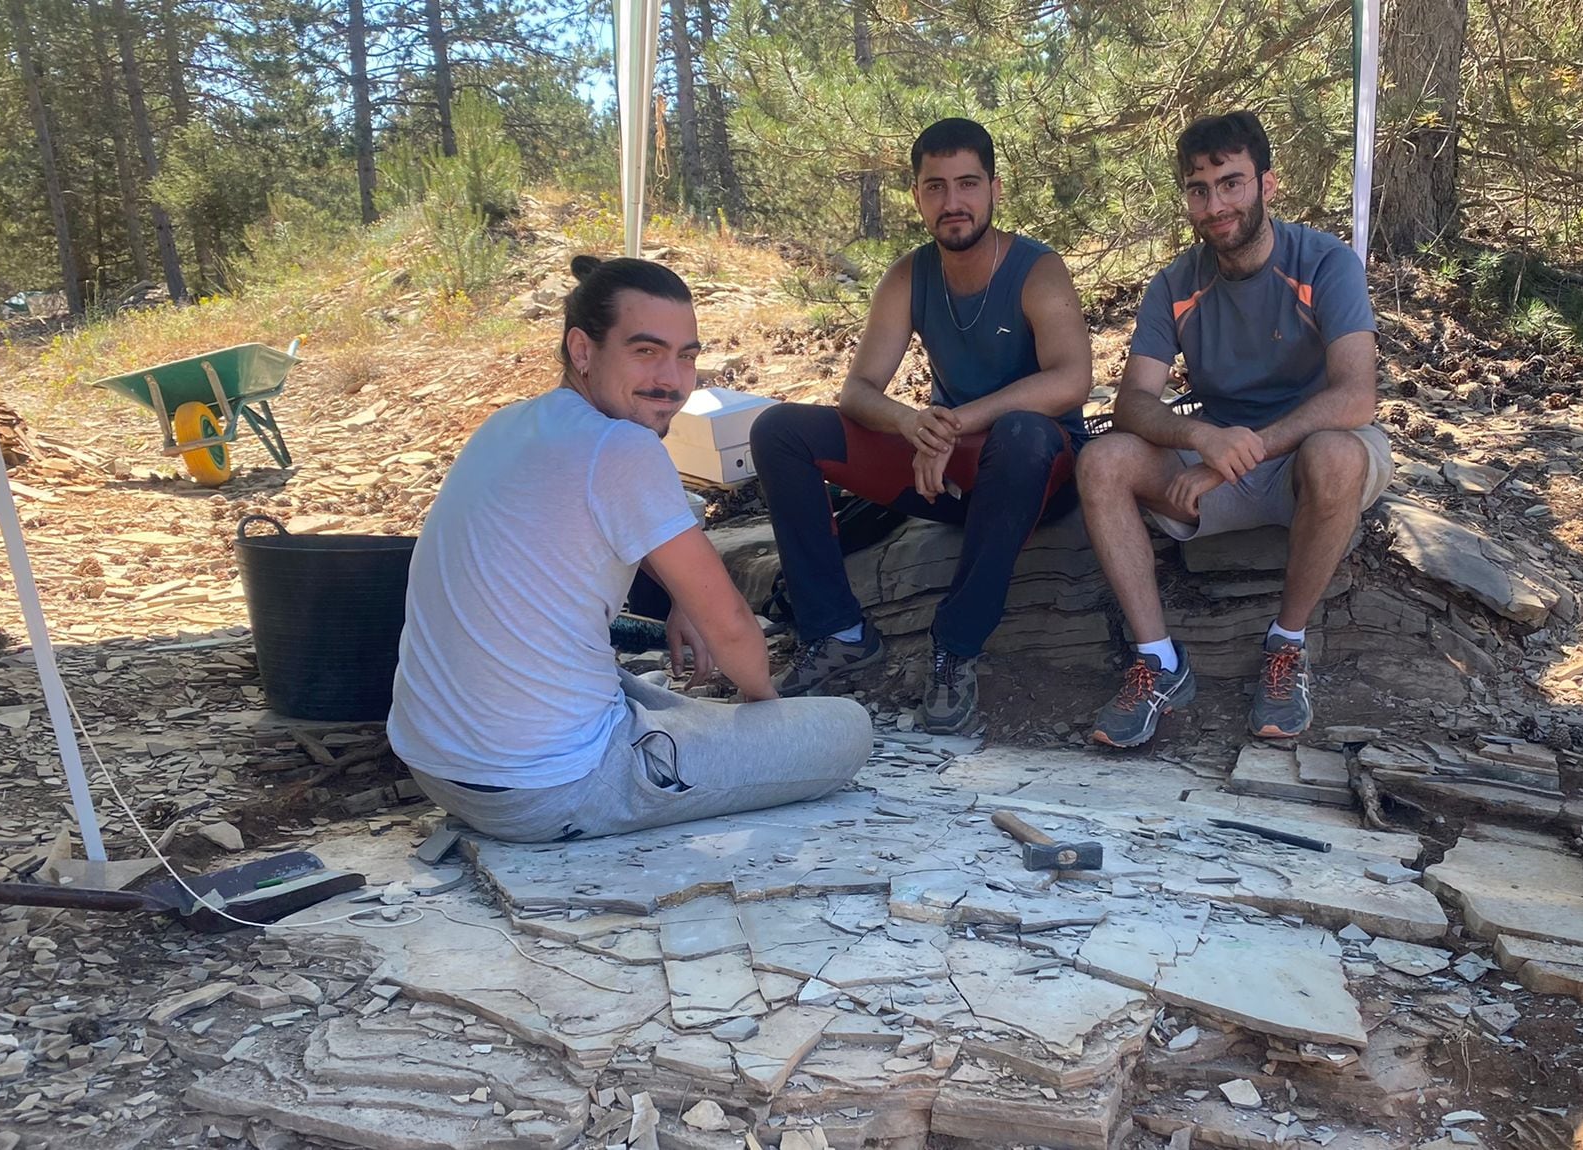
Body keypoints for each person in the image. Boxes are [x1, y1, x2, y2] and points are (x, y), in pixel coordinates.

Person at [387, 256, 873, 842]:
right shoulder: (621, 447)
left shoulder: (506, 425)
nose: (671, 380)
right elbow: (735, 630)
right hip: (547, 788)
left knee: (629, 687)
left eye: (687, 356)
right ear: (583, 351)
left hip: (437, 764)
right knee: (847, 728)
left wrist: (681, 600)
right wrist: (772, 721)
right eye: (646, 352)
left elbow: (606, 537)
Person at [749, 117, 1094, 733]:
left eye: (967, 183)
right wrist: (913, 425)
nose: (952, 202)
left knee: (1023, 434)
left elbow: (1071, 380)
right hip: (949, 472)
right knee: (780, 430)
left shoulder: (1039, 269)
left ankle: (954, 648)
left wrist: (952, 423)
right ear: (916, 195)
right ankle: (838, 630)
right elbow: (856, 391)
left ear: (994, 188)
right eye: (935, 187)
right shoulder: (909, 275)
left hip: (1035, 474)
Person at [1077, 111, 1393, 748]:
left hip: (1310, 454)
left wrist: (1235, 453)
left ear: (1267, 185)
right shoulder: (1174, 284)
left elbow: (1356, 394)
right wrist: (1200, 440)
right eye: (1199, 190)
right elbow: (1135, 402)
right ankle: (1159, 661)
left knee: (1335, 456)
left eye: (1232, 183)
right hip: (1217, 456)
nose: (1216, 204)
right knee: (1102, 460)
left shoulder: (1325, 261)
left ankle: (1286, 647)